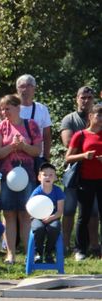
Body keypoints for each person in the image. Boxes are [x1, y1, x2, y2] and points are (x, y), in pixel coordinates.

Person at [0, 94, 42, 264]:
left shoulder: (31, 125)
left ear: (18, 108)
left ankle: (29, 253)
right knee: (9, 214)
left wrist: (24, 147)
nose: (4, 112)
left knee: (26, 214)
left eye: (8, 108)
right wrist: (12, 147)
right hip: (6, 176)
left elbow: (37, 151)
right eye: (3, 109)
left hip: (28, 176)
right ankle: (10, 254)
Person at [60, 86, 98, 255]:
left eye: (89, 97)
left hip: (95, 174)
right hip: (75, 173)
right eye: (83, 97)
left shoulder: (99, 118)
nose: (86, 100)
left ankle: (94, 245)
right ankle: (66, 245)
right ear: (77, 98)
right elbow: (68, 143)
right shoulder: (69, 119)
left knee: (93, 211)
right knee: (69, 209)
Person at [64, 105, 102, 261]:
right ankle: (80, 249)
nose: (101, 118)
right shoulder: (80, 135)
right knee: (84, 215)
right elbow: (68, 158)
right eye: (98, 114)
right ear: (90, 116)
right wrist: (84, 155)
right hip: (85, 180)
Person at [15, 75, 52, 175]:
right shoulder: (12, 109)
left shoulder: (42, 109)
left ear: (34, 88)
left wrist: (46, 158)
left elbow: (47, 135)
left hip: (37, 157)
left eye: (29, 86)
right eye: (22, 86)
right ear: (17, 89)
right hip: (16, 157)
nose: (25, 89)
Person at [28, 163, 65, 263]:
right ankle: (38, 253)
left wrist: (51, 218)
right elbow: (29, 207)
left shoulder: (58, 191)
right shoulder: (37, 191)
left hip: (53, 217)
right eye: (45, 175)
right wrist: (37, 216)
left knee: (54, 227)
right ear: (39, 177)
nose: (48, 177)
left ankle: (49, 252)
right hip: (37, 218)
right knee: (38, 228)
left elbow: (60, 211)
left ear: (55, 177)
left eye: (51, 175)